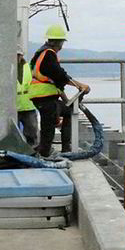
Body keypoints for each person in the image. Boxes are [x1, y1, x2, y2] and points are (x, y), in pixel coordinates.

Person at [26, 24, 90, 158]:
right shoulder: (49, 54)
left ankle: (65, 148)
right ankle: (44, 154)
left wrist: (66, 100)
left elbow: (56, 80)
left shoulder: (41, 53)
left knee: (67, 111)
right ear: (59, 43)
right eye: (61, 43)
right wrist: (79, 85)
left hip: (44, 97)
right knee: (48, 128)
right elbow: (59, 75)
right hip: (44, 96)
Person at [15, 52, 39, 146]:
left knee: (32, 131)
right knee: (12, 133)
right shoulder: (5, 68)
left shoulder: (29, 67)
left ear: (21, 56)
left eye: (18, 55)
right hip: (12, 106)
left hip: (28, 104)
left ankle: (32, 150)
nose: (16, 57)